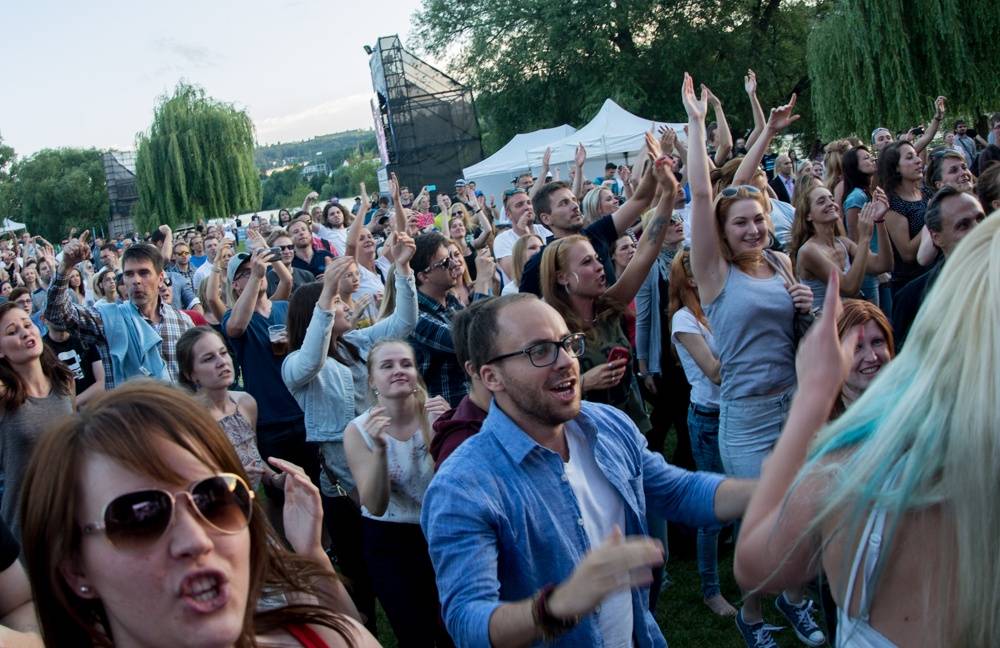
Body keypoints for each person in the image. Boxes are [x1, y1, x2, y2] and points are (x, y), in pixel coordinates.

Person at [421, 294, 755, 647]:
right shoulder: (463, 485)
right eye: (539, 351)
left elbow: (677, 492)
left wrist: (775, 489)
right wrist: (560, 604)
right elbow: (467, 622)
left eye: (567, 343)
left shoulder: (607, 426)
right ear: (491, 376)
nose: (567, 361)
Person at [734, 216, 1000, 646]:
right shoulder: (856, 451)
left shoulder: (852, 466)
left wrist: (811, 397)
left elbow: (755, 564)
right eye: (858, 347)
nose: (872, 357)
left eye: (879, 344)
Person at [18, 381, 376, 647]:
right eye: (141, 518)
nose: (197, 540)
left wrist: (311, 553)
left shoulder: (330, 637)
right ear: (75, 568)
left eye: (214, 499)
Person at [682, 73, 825, 647]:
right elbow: (701, 195)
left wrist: (805, 307)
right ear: (721, 233)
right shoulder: (715, 275)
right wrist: (695, 124)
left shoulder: (780, 264)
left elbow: (806, 340)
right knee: (763, 523)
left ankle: (793, 601)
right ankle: (753, 613)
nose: (752, 228)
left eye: (759, 219)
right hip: (744, 417)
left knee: (804, 513)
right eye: (740, 222)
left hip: (792, 407)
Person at [281, 232, 418, 634]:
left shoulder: (357, 342)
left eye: (340, 301)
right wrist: (326, 294)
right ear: (317, 312)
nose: (345, 306)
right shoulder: (296, 365)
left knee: (394, 556)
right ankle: (361, 633)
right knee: (360, 568)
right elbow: (310, 359)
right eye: (337, 303)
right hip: (343, 482)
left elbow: (404, 322)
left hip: (384, 460)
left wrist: (403, 269)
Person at [540, 135, 678, 437]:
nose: (600, 266)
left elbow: (646, 251)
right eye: (587, 263)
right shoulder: (549, 330)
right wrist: (585, 382)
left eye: (597, 259)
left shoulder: (608, 306)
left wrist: (667, 195)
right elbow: (535, 397)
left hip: (632, 432)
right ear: (562, 276)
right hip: (587, 442)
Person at [343, 340, 453, 646]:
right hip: (390, 538)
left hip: (441, 532)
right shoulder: (359, 430)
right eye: (387, 366)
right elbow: (375, 505)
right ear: (371, 380)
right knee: (414, 631)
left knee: (453, 628)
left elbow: (452, 486)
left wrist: (444, 432)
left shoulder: (437, 416)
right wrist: (379, 451)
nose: (398, 371)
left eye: (406, 364)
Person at [667, 248, 737, 617]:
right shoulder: (683, 320)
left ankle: (752, 574)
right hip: (709, 419)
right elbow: (714, 372)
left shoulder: (720, 307)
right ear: (691, 279)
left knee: (749, 498)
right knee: (712, 509)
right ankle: (711, 590)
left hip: (740, 414)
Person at [45, 237, 194, 388]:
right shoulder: (109, 319)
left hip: (178, 409)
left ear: (160, 278)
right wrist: (66, 266)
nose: (136, 280)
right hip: (128, 411)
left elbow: (196, 379)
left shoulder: (183, 322)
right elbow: (57, 316)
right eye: (129, 274)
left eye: (144, 273)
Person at [222, 248, 314, 480]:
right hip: (270, 421)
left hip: (304, 411)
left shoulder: (285, 307)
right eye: (244, 273)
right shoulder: (234, 316)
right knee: (283, 492)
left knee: (318, 485)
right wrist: (256, 274)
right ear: (235, 285)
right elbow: (235, 328)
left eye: (256, 267)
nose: (254, 272)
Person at [0, 302, 75, 538]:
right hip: (27, 525)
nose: (24, 332)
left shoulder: (65, 382)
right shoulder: (3, 395)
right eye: (12, 332)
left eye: (27, 324)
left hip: (72, 514)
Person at [176, 326, 277, 491]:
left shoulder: (246, 402)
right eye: (208, 358)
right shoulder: (189, 421)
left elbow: (254, 459)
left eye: (223, 353)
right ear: (190, 374)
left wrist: (277, 479)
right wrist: (230, 480)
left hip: (253, 505)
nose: (222, 362)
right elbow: (187, 484)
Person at [892, 187, 986, 348]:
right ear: (937, 238)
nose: (978, 229)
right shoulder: (912, 299)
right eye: (963, 225)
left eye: (980, 219)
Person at [409, 232, 493, 407]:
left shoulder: (451, 301)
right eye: (445, 263)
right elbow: (473, 341)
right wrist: (483, 281)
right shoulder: (416, 317)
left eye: (452, 257)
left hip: (473, 403)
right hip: (448, 416)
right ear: (424, 276)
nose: (455, 264)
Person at [789, 185, 893, 308]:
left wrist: (879, 221)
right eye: (821, 201)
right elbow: (849, 288)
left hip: (848, 320)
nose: (830, 203)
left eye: (832, 199)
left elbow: (883, 265)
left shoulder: (843, 243)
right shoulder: (808, 251)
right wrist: (864, 238)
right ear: (808, 215)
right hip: (827, 324)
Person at [879, 142, 931, 296]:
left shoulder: (925, 192)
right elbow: (907, 253)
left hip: (934, 274)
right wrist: (932, 218)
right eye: (910, 157)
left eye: (916, 155)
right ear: (896, 167)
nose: (918, 160)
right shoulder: (892, 204)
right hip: (912, 286)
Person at [832, 299, 895, 417]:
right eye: (856, 347)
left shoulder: (911, 408)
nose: (871, 357)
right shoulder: (817, 425)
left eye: (877, 342)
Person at [41, 317, 103, 408]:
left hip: (93, 407)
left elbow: (101, 382)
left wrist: (73, 404)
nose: (60, 316)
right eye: (54, 313)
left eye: (62, 311)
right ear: (44, 319)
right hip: (65, 414)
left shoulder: (83, 338)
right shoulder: (42, 349)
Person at [491, 187, 550, 279]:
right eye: (519, 205)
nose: (527, 207)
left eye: (529, 203)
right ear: (508, 214)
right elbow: (516, 276)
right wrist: (526, 237)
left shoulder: (546, 229)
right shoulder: (502, 240)